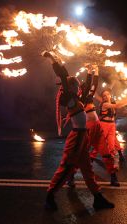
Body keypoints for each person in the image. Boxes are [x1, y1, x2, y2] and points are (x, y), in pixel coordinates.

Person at [42, 51, 114, 211]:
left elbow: (88, 86)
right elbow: (63, 75)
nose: (78, 86)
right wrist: (52, 59)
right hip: (76, 137)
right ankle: (50, 196)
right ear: (70, 87)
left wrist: (91, 71)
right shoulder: (70, 98)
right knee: (67, 167)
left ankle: (98, 198)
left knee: (87, 168)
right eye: (75, 84)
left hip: (83, 137)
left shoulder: (77, 98)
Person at [90, 87, 127, 185]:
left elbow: (121, 103)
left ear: (110, 95)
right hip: (103, 125)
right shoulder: (105, 104)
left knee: (111, 148)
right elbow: (118, 105)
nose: (106, 96)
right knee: (97, 146)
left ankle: (113, 174)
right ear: (103, 98)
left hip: (111, 126)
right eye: (104, 95)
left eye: (107, 94)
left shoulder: (111, 102)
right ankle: (89, 161)